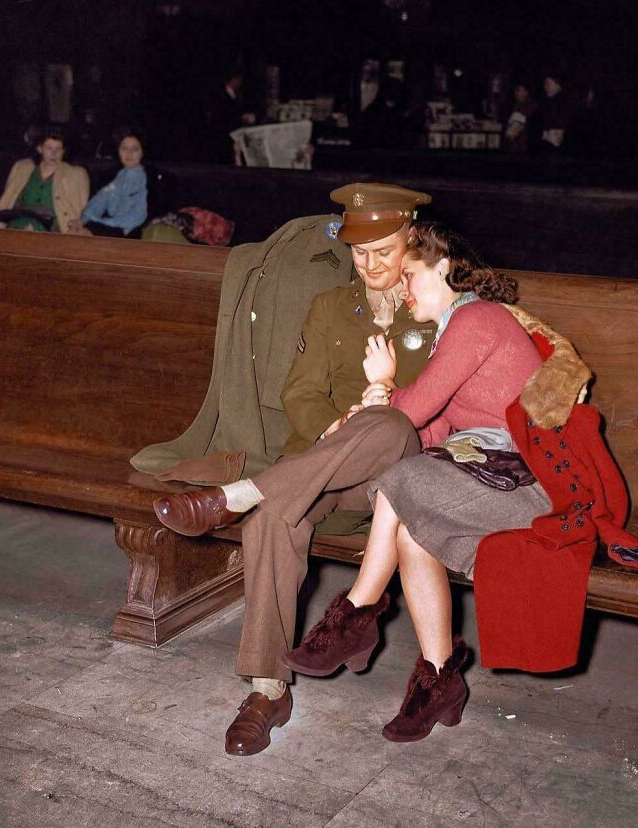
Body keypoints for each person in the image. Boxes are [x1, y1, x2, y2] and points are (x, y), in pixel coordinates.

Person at [153, 183, 437, 756]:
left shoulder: (435, 305)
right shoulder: (332, 305)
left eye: (384, 251)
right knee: (271, 520)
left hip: (399, 481)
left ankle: (238, 493)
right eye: (360, 252)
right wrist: (336, 425)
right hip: (326, 466)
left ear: (412, 241)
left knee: (388, 426)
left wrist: (378, 405)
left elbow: (447, 406)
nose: (371, 265)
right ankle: (266, 688)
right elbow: (299, 393)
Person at [282, 221, 549, 741]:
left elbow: (420, 406)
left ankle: (356, 612)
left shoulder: (477, 318)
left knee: (405, 479)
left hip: (524, 480)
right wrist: (380, 412)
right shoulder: (454, 330)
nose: (402, 290)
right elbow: (434, 429)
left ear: (444, 268)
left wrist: (384, 386)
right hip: (485, 473)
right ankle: (438, 680)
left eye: (410, 275)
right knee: (410, 529)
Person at [0, 126, 89, 233]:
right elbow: (8, 198)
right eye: (49, 148)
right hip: (19, 222)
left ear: (63, 151)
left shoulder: (75, 174)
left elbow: (81, 208)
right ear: (40, 149)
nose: (54, 154)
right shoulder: (22, 168)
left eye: (58, 149)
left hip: (53, 227)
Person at [69, 130, 147, 238]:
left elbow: (139, 215)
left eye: (134, 149)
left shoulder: (147, 178)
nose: (129, 153)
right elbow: (100, 200)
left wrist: (105, 223)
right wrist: (83, 220)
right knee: (73, 232)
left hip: (130, 231)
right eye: (124, 148)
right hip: (110, 227)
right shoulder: (119, 175)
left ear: (142, 152)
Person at [503, 82, 537, 154]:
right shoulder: (513, 105)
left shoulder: (530, 106)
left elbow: (517, 127)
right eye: (516, 90)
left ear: (526, 92)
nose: (517, 93)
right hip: (512, 146)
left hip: (522, 146)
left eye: (519, 90)